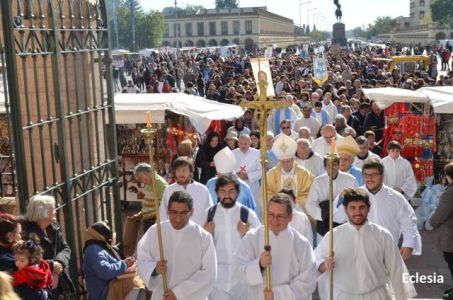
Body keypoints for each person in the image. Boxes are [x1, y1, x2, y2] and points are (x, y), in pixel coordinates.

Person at [315, 188, 417, 300]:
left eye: (362, 207)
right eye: (352, 208)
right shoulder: (333, 236)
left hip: (376, 294)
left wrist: (402, 297)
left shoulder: (383, 235)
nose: (357, 212)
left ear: (369, 208)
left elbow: (397, 269)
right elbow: (316, 262)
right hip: (343, 295)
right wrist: (325, 265)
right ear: (345, 209)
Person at [234, 193, 318, 300]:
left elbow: (308, 281)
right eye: (271, 214)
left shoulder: (301, 244)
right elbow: (237, 270)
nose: (274, 220)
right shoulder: (252, 238)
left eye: (280, 216)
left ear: (290, 217)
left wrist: (278, 294)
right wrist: (259, 265)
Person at [333, 159, 422, 259]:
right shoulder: (355, 196)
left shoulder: (396, 197)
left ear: (382, 175)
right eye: (366, 175)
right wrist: (342, 198)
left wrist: (408, 243)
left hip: (389, 251)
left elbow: (409, 221)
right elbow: (337, 217)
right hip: (361, 252)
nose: (369, 178)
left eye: (374, 175)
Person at [137, 190, 217, 300]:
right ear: (167, 211)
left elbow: (209, 273)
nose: (178, 219)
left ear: (192, 211)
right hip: (162, 295)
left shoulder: (203, 237)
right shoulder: (156, 232)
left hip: (192, 297)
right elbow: (142, 257)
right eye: (173, 212)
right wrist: (154, 269)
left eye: (183, 213)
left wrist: (178, 293)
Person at [204, 175, 261, 300]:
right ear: (217, 193)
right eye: (222, 191)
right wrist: (205, 232)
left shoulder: (247, 214)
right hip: (218, 278)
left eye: (231, 191)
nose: (227, 195)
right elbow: (199, 245)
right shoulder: (209, 214)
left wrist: (248, 231)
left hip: (241, 277)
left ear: (237, 193)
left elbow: (260, 241)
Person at [22, 195, 75, 297]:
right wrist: (51, 265)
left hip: (56, 286)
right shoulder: (27, 235)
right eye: (53, 208)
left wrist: (59, 262)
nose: (56, 211)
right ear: (42, 212)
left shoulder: (52, 229)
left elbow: (66, 248)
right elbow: (26, 262)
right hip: (40, 290)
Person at [306, 155, 357, 237]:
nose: (332, 168)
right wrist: (325, 215)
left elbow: (356, 200)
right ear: (325, 167)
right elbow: (310, 204)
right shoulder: (318, 181)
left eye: (334, 164)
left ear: (338, 165)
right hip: (324, 224)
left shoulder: (350, 179)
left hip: (343, 222)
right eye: (328, 165)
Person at [83, 221, 137, 300]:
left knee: (140, 277)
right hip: (104, 292)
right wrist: (125, 264)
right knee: (135, 283)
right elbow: (105, 271)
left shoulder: (100, 246)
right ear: (99, 235)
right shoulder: (93, 250)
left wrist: (127, 263)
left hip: (111, 284)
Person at [425, 162, 453, 299]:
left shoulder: (450, 193)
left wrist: (429, 224)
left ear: (448, 176)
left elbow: (441, 213)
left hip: (450, 235)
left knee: (452, 261)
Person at [160, 157, 213, 226]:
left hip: (198, 233)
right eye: (178, 170)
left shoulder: (202, 189)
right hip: (175, 232)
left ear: (190, 172)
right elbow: (163, 214)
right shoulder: (169, 190)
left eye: (184, 170)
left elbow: (210, 212)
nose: (181, 173)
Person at [206, 147, 259, 217]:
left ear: (231, 174)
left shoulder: (244, 187)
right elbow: (206, 207)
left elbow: (252, 212)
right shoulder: (210, 183)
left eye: (226, 177)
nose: (223, 181)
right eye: (220, 176)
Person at [267, 134, 314, 212]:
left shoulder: (305, 174)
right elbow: (266, 194)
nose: (286, 164)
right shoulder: (271, 175)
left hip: (299, 212)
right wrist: (279, 203)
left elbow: (310, 193)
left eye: (288, 161)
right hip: (278, 212)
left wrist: (294, 203)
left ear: (293, 159)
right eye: (283, 162)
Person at [12, 234, 53, 300]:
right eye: (16, 260)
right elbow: (50, 280)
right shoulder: (43, 265)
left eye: (22, 261)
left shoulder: (25, 272)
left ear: (32, 259)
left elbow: (12, 281)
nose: (17, 264)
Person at [133, 163, 168, 231]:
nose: (140, 180)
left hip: (154, 220)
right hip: (148, 220)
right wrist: (140, 214)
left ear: (148, 173)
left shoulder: (159, 183)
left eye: (140, 177)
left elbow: (167, 201)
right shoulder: (150, 183)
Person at [233, 134, 262, 208]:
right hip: (237, 185)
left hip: (252, 186)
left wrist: (248, 176)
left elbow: (261, 170)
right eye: (241, 143)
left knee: (253, 207)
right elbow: (228, 169)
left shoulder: (257, 153)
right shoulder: (232, 153)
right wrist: (236, 176)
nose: (243, 146)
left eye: (245, 143)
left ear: (250, 142)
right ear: (238, 143)